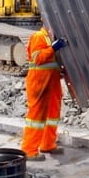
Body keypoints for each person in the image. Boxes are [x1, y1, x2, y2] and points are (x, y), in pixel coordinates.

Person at [20, 20, 68, 160]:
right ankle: (29, 150)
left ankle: (48, 144)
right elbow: (38, 58)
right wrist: (53, 48)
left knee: (52, 114)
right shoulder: (39, 36)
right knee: (36, 117)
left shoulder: (50, 37)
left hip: (51, 81)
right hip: (39, 82)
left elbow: (52, 62)